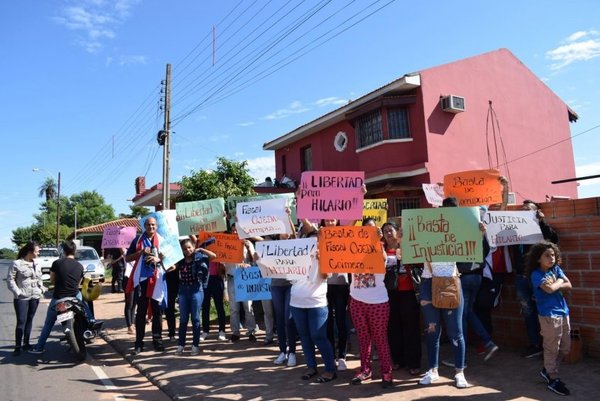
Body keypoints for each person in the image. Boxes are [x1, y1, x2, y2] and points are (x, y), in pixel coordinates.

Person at [418, 197, 468, 389]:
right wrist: (405, 238)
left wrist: (479, 234)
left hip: (451, 283)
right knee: (432, 330)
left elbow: (477, 251)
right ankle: (433, 370)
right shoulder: (427, 228)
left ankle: (459, 372)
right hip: (428, 282)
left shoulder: (463, 229)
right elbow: (408, 251)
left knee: (456, 331)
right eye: (446, 210)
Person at [510, 199, 559, 358]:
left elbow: (553, 239)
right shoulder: (515, 229)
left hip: (538, 277)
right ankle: (535, 345)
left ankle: (550, 346)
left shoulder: (541, 228)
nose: (524, 213)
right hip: (521, 277)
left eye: (528, 210)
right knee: (528, 312)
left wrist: (541, 221)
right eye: (522, 210)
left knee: (544, 310)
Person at [349, 218, 393, 388]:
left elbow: (382, 261)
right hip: (356, 301)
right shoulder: (351, 249)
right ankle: (365, 370)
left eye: (373, 230)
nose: (370, 233)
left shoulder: (381, 248)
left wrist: (377, 241)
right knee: (363, 339)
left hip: (378, 303)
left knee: (380, 339)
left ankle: (386, 373)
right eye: (366, 230)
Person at [527, 241, 571, 396]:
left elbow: (569, 284)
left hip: (563, 312)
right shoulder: (536, 274)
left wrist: (557, 282)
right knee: (551, 347)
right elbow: (549, 289)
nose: (551, 258)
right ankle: (553, 379)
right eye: (547, 255)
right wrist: (560, 282)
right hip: (548, 315)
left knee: (565, 347)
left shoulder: (556, 269)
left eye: (553, 255)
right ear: (538, 259)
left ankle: (548, 369)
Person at [29, 240, 88, 354]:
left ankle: (39, 347)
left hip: (59, 298)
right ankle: (86, 331)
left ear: (63, 251)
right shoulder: (80, 266)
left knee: (48, 323)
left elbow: (52, 280)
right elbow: (78, 284)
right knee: (83, 314)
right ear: (74, 251)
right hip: (74, 297)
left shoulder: (57, 263)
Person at [381, 221, 422, 376]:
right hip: (389, 293)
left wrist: (405, 254)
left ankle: (414, 362)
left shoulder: (408, 245)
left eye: (390, 230)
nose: (388, 233)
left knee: (411, 328)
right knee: (393, 327)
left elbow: (420, 262)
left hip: (409, 292)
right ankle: (398, 359)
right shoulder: (381, 249)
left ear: (397, 232)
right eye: (385, 231)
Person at [290, 258, 336, 383]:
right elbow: (286, 275)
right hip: (296, 303)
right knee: (304, 336)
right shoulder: (294, 254)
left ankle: (330, 369)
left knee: (318, 336)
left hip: (317, 303)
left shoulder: (323, 255)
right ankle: (311, 367)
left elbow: (326, 275)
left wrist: (321, 259)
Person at [126, 216, 166, 355]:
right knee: (141, 311)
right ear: (144, 226)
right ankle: (139, 342)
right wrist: (141, 252)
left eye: (153, 225)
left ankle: (157, 340)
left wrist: (158, 258)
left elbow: (169, 257)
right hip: (141, 279)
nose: (151, 227)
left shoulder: (162, 240)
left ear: (157, 226)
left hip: (157, 279)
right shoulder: (137, 240)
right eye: (148, 225)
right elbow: (127, 258)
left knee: (157, 311)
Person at [321, 218, 350, 372]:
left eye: (332, 220)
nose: (330, 222)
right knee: (328, 323)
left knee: (341, 320)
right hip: (325, 285)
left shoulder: (344, 234)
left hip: (341, 284)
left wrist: (360, 196)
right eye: (327, 220)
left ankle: (342, 356)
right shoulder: (320, 235)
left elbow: (352, 221)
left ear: (338, 220)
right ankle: (331, 354)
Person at [6, 241, 45, 356]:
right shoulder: (16, 264)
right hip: (22, 297)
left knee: (30, 320)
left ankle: (26, 343)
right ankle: (18, 346)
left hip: (35, 295)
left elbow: (40, 278)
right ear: (30, 252)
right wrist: (17, 292)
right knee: (21, 321)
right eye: (37, 251)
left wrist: (41, 289)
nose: (38, 254)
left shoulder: (37, 263)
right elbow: (10, 279)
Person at [174, 238, 209, 355]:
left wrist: (202, 249)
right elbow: (171, 267)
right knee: (183, 319)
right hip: (183, 291)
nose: (187, 250)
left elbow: (213, 256)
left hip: (196, 290)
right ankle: (181, 345)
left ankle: (195, 345)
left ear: (193, 247)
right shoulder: (180, 261)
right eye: (185, 249)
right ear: (182, 251)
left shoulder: (198, 258)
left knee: (195, 318)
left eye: (189, 247)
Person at [225, 236, 258, 343]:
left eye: (238, 231)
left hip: (245, 278)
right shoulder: (226, 243)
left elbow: (255, 259)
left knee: (248, 307)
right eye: (234, 231)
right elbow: (221, 262)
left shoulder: (248, 243)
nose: (236, 233)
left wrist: (249, 248)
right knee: (234, 309)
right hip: (232, 278)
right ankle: (235, 332)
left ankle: (251, 331)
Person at [200, 260, 227, 341]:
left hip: (217, 278)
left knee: (219, 306)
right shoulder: (202, 248)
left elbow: (224, 267)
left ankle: (222, 330)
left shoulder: (218, 248)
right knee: (205, 306)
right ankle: (205, 331)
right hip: (205, 279)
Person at [122, 250, 136, 334]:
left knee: (134, 303)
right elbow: (121, 247)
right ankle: (129, 326)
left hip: (136, 279)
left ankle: (132, 323)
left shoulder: (138, 253)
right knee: (129, 303)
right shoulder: (126, 252)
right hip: (128, 279)